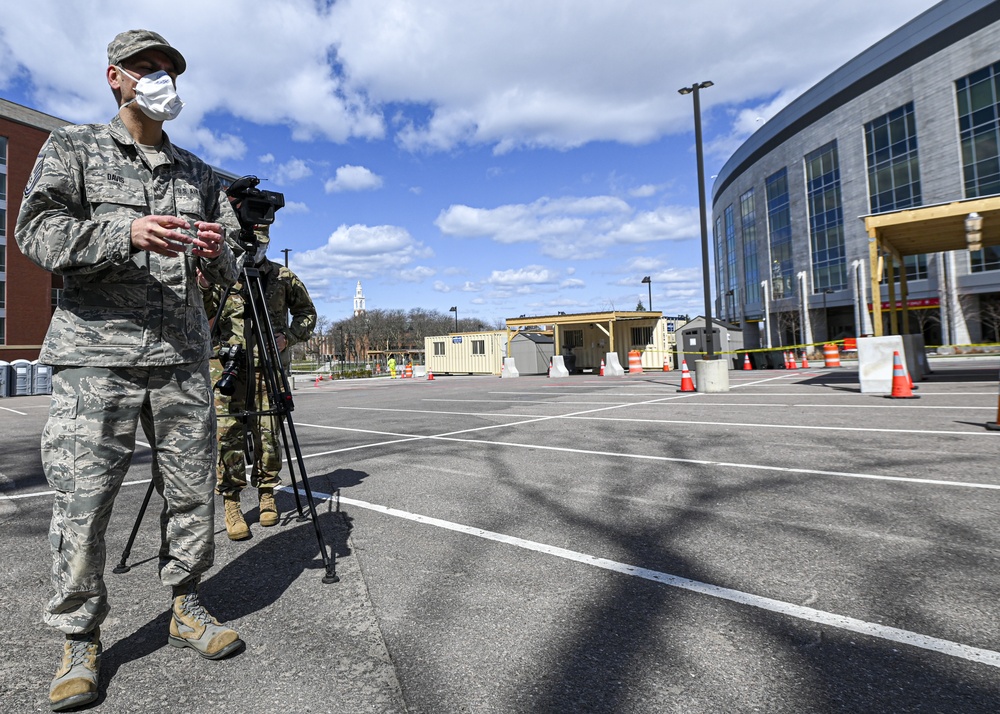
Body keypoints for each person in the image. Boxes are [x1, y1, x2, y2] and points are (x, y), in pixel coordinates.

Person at [15, 29, 244, 711]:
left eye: (170, 70)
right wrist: (125, 232)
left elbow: (232, 264)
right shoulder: (73, 148)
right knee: (83, 504)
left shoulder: (200, 174)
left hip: (179, 355)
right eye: (146, 68)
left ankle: (185, 605)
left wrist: (213, 251)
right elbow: (35, 233)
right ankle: (80, 638)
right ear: (115, 78)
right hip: (97, 355)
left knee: (191, 494)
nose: (160, 79)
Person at [200, 226, 316, 540]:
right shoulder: (219, 273)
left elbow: (307, 312)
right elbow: (199, 314)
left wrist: (288, 338)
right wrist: (204, 286)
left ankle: (267, 493)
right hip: (227, 368)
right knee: (228, 435)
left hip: (269, 366)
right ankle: (232, 502)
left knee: (269, 433)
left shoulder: (281, 276)